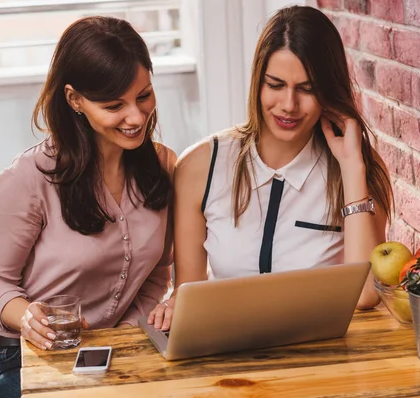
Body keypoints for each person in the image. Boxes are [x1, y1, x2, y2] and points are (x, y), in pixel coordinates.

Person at [148, 5, 393, 331]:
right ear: (257, 83)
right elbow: (188, 296)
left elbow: (364, 294)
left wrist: (350, 167)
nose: (288, 105)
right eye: (275, 85)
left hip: (321, 360)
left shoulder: (358, 168)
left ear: (328, 91)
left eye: (306, 89)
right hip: (226, 355)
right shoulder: (199, 167)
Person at [0, 16, 176, 398]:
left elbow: (157, 272)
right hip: (18, 357)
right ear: (74, 99)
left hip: (115, 352)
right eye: (114, 105)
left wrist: (127, 331)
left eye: (144, 96)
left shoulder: (164, 166)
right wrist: (29, 317)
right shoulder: (28, 178)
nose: (135, 117)